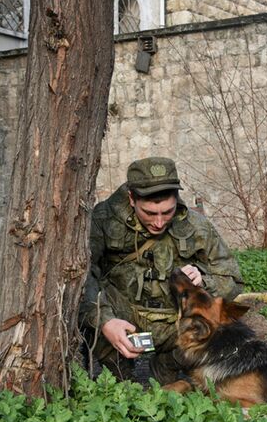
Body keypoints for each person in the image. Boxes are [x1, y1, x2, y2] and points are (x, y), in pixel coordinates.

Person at [78, 156, 244, 383]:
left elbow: (232, 277)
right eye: (150, 213)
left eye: (167, 212)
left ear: (176, 199)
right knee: (90, 320)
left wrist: (204, 280)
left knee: (225, 327)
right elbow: (83, 274)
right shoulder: (102, 220)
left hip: (173, 324)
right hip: (123, 320)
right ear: (131, 199)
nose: (158, 222)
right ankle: (118, 376)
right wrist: (105, 321)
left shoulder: (195, 225)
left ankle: (168, 364)